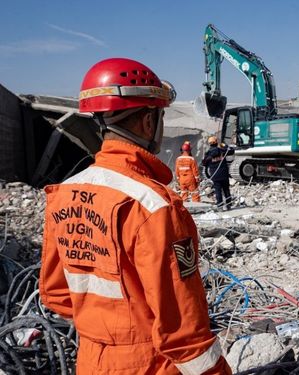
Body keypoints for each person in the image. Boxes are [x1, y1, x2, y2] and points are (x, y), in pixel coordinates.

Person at [39, 57, 231, 375]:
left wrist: (106, 327)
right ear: (146, 122)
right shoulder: (154, 207)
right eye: (160, 117)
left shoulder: (64, 193)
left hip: (91, 361)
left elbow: (56, 293)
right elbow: (184, 334)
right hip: (148, 365)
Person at [202, 136, 234, 210]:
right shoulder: (222, 150)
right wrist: (224, 145)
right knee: (226, 190)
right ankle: (229, 205)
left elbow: (204, 163)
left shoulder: (208, 153)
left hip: (215, 176)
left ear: (209, 144)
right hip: (224, 174)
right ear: (216, 142)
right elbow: (231, 150)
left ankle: (220, 206)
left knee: (218, 191)